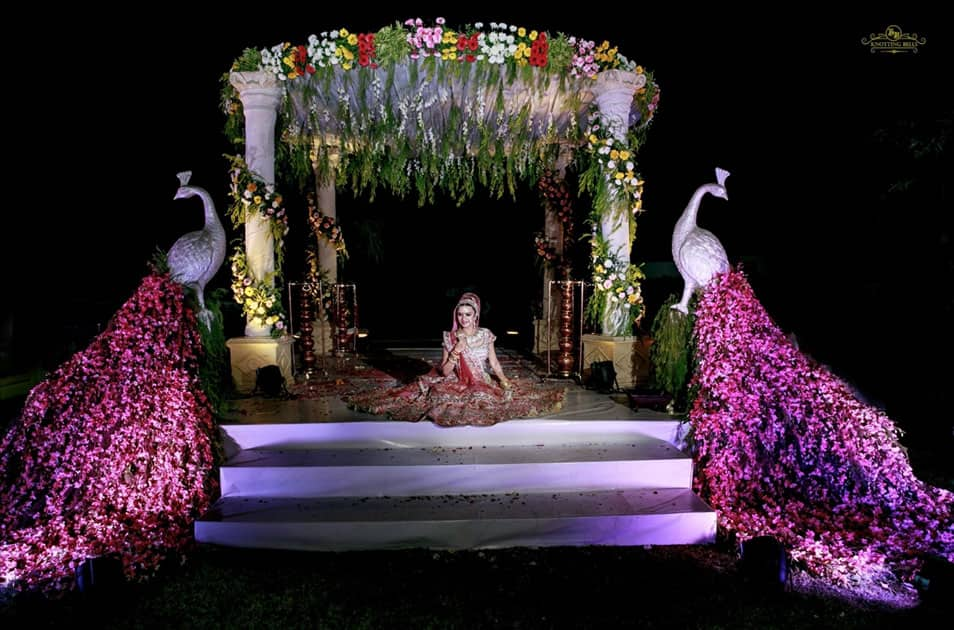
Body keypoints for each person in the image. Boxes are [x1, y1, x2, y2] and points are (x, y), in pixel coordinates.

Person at [347, 292, 565, 426]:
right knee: (447, 394)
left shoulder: (486, 334)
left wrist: (503, 380)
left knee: (487, 393)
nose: (463, 319)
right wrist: (456, 350)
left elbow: (494, 362)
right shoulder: (450, 336)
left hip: (482, 379)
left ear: (476, 315)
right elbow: (444, 372)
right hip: (456, 381)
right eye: (460, 314)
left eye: (468, 314)